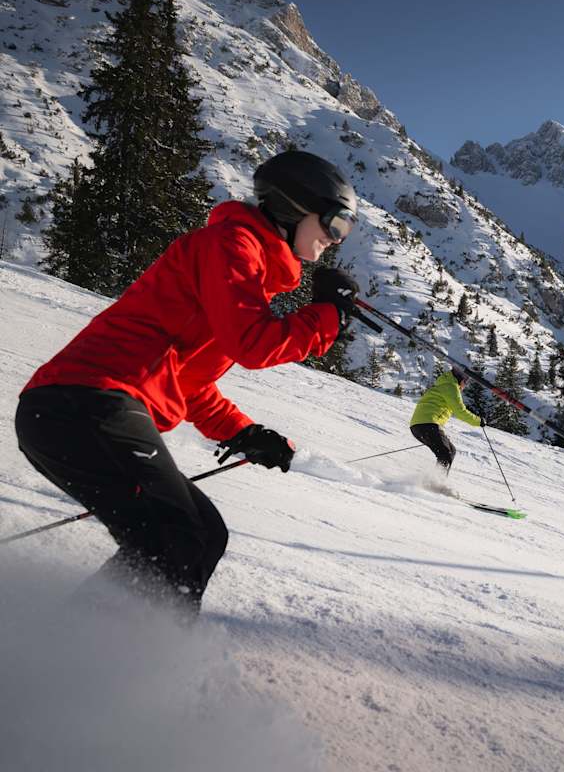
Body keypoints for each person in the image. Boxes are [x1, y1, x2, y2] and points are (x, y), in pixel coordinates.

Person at [13, 150, 363, 614]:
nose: (334, 240)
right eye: (335, 224)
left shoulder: (246, 263)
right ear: (295, 207)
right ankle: (94, 661)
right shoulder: (230, 245)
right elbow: (254, 345)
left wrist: (243, 432)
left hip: (84, 408)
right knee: (179, 535)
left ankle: (89, 652)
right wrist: (326, 316)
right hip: (85, 402)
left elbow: (188, 379)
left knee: (201, 534)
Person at [409, 367, 484, 475]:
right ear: (461, 380)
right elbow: (460, 411)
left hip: (421, 425)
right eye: (466, 382)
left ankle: (436, 480)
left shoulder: (445, 385)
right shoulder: (451, 387)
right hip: (427, 424)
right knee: (445, 453)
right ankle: (436, 484)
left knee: (451, 450)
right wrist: (478, 421)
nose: (465, 385)